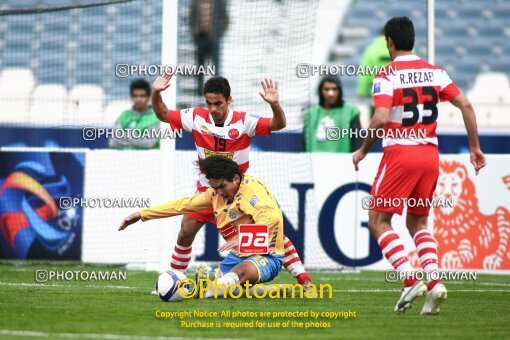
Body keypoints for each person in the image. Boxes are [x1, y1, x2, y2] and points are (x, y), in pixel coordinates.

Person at [352, 17, 486, 315]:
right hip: (429, 155)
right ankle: (435, 282)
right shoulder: (435, 71)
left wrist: (362, 150)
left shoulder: (386, 73)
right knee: (418, 222)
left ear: (389, 42)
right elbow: (465, 104)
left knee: (378, 220)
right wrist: (475, 148)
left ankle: (410, 279)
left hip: (401, 154)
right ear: (413, 40)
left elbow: (381, 117)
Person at [151, 73, 312, 286]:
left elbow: (278, 124)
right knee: (186, 231)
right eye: (209, 103)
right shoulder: (196, 117)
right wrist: (155, 92)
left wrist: (275, 104)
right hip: (208, 191)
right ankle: (173, 280)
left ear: (229, 100)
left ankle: (302, 276)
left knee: (269, 233)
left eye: (218, 103)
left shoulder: (244, 122)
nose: (213, 109)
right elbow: (163, 114)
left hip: (238, 192)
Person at [119, 156, 285, 295]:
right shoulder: (215, 194)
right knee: (228, 288)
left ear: (235, 178)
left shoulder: (251, 192)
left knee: (237, 275)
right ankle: (259, 288)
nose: (218, 192)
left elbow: (272, 217)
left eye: (221, 187)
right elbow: (183, 204)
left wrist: (242, 238)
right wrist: (142, 214)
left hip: (266, 254)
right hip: (236, 255)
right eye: (214, 188)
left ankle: (219, 285)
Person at [304, 76, 362, 152]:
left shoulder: (351, 111)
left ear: (339, 91)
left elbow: (357, 142)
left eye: (334, 89)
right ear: (320, 91)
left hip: (341, 161)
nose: (331, 93)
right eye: (326, 89)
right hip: (315, 161)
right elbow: (305, 143)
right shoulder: (310, 114)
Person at [109, 79, 160, 149]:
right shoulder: (124, 116)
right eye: (135, 96)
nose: (139, 99)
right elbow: (113, 141)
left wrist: (125, 135)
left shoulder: (156, 117)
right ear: (131, 97)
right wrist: (138, 137)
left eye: (142, 96)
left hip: (150, 158)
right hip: (124, 158)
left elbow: (148, 143)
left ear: (148, 97)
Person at [190, 0, 228, 95]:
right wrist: (195, 33)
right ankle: (199, 91)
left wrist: (219, 34)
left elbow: (226, 19)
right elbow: (191, 19)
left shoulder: (219, 2)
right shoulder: (196, 2)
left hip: (213, 38)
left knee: (215, 66)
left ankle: (217, 89)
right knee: (200, 66)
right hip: (201, 37)